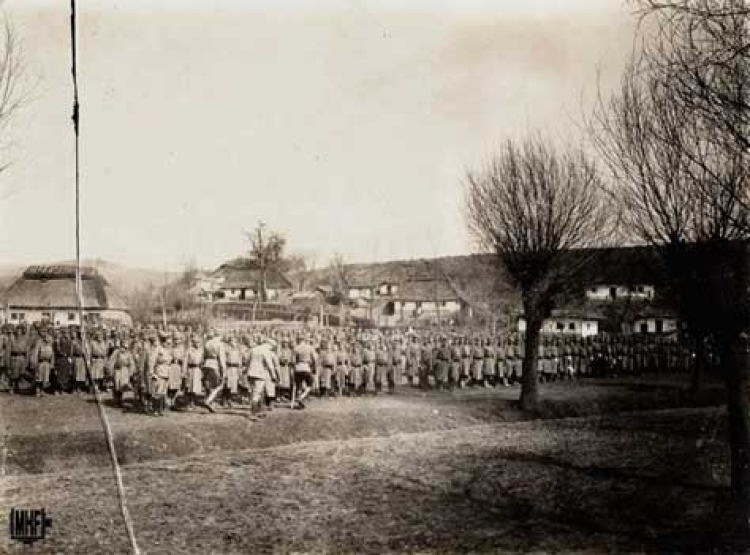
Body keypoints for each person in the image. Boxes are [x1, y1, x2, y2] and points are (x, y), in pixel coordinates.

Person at [202, 329, 226, 413]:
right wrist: (224, 371)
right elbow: (222, 359)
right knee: (219, 385)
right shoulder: (220, 344)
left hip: (206, 364)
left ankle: (211, 403)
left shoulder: (207, 343)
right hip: (215, 364)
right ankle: (208, 401)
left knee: (209, 385)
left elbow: (204, 355)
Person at [108, 337, 137, 407]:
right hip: (117, 371)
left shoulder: (128, 353)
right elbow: (111, 362)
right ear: (121, 345)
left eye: (125, 347)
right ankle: (115, 401)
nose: (124, 348)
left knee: (122, 386)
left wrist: (131, 372)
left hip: (125, 371)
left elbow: (132, 363)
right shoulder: (116, 352)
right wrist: (111, 371)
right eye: (123, 346)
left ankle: (120, 400)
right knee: (116, 386)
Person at [292, 335, 317, 409]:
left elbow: (293, 361)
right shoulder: (309, 347)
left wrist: (294, 368)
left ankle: (299, 398)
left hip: (298, 367)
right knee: (310, 384)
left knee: (298, 385)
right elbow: (314, 359)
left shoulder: (296, 348)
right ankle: (301, 397)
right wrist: (314, 368)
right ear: (304, 340)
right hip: (306, 367)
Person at [31, 330, 55, 397]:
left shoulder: (50, 342)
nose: (44, 334)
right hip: (40, 362)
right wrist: (35, 362)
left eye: (45, 332)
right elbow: (35, 353)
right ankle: (37, 391)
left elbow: (52, 354)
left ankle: (42, 391)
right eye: (42, 332)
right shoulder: (38, 342)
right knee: (39, 377)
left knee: (45, 377)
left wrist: (52, 363)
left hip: (47, 362)